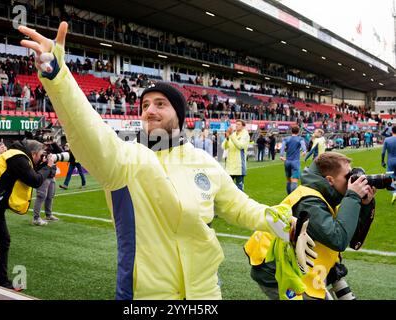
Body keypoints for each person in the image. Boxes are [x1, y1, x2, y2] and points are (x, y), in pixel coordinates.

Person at [18, 22, 314, 300]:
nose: (150, 110)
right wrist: (58, 78)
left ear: (180, 116)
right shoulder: (126, 159)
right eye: (145, 105)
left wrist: (282, 224)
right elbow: (88, 129)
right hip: (147, 295)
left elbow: (239, 206)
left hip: (206, 292)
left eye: (160, 104)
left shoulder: (202, 160)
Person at [245, 152, 376, 300]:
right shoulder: (309, 201)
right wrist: (352, 196)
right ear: (330, 180)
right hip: (273, 267)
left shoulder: (326, 195)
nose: (352, 181)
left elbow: (352, 239)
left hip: (293, 262)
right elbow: (338, 239)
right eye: (348, 177)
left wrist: (364, 205)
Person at [0, 139, 53, 289]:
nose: (42, 157)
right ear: (33, 153)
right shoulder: (18, 157)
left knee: (4, 242)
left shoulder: (16, 156)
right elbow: (35, 180)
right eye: (41, 155)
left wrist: (44, 166)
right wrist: (48, 166)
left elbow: (31, 174)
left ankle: (2, 282)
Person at [32, 138, 62, 226]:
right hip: (43, 175)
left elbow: (60, 152)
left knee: (50, 196)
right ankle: (36, 218)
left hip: (51, 175)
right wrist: (43, 161)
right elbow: (35, 164)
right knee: (41, 196)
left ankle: (48, 215)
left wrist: (53, 143)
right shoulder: (38, 149)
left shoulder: (50, 148)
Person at [222, 119, 250, 191]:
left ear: (243, 126)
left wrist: (231, 136)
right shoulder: (233, 134)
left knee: (239, 189)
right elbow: (223, 147)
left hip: (239, 167)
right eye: (236, 124)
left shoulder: (245, 135)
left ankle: (240, 202)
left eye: (239, 124)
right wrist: (227, 138)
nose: (236, 126)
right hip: (230, 166)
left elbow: (240, 146)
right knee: (227, 188)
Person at [280, 125, 307, 194]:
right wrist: (304, 151)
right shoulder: (300, 139)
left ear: (291, 131)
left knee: (288, 180)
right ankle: (293, 198)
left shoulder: (286, 138)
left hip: (287, 161)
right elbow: (303, 146)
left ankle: (288, 196)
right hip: (295, 162)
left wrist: (281, 155)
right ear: (298, 131)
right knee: (294, 180)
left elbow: (282, 147)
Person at [381, 126, 396, 204]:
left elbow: (383, 152)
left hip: (391, 162)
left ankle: (394, 193)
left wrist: (382, 161)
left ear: (392, 131)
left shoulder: (387, 139)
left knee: (389, 179)